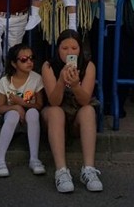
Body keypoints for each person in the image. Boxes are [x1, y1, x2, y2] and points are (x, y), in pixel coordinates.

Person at [41, 30, 103, 194]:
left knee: (89, 110)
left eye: (74, 48)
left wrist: (75, 85)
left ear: (80, 49)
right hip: (55, 113)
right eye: (65, 48)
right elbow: (53, 101)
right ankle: (61, 171)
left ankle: (89, 169)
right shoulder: (48, 66)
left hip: (77, 112)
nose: (70, 52)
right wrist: (61, 81)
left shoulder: (88, 66)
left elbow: (84, 100)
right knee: (55, 112)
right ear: (58, 49)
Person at [0, 42, 45, 178]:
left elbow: (39, 105)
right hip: (11, 120)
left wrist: (22, 104)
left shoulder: (36, 78)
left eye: (31, 58)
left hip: (29, 121)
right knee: (13, 115)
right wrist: (16, 107)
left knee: (33, 113)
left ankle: (34, 159)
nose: (29, 62)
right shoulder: (5, 81)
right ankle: (0, 160)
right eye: (23, 59)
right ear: (14, 64)